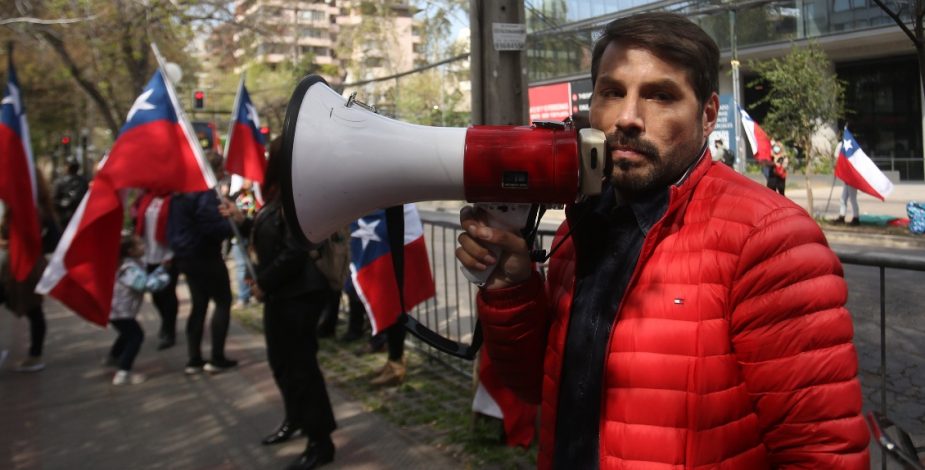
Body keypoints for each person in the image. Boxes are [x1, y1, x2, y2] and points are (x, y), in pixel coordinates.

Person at [455, 12, 869, 468]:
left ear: (708, 114)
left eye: (660, 95)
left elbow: (822, 454)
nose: (628, 118)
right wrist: (512, 288)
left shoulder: (770, 239)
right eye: (612, 92)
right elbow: (536, 386)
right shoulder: (582, 223)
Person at [224, 137, 336, 470]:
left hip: (299, 296)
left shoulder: (296, 195)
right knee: (282, 364)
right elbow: (269, 237)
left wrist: (263, 282)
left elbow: (294, 250)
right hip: (281, 295)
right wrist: (242, 222)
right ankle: (296, 420)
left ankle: (321, 441)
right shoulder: (277, 194)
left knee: (301, 368)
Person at [167, 152, 238, 375]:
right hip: (204, 254)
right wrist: (230, 224)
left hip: (186, 255)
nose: (223, 174)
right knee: (223, 301)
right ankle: (216, 357)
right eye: (221, 170)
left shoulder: (181, 191)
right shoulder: (203, 192)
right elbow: (211, 226)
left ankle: (194, 359)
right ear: (214, 170)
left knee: (199, 305)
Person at [1, 171, 61, 372]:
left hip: (27, 266)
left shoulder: (35, 210)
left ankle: (36, 356)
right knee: (34, 311)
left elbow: (53, 239)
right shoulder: (22, 207)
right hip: (15, 264)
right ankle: (35, 354)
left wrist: (32, 247)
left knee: (34, 311)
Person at [105, 233, 170, 385]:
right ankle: (123, 372)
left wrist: (161, 269)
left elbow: (144, 279)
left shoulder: (130, 265)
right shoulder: (128, 268)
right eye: (139, 245)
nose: (143, 246)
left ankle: (113, 357)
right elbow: (145, 285)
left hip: (118, 311)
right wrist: (165, 277)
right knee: (136, 336)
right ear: (130, 251)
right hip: (121, 312)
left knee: (126, 334)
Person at [133, 190, 180, 350]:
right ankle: (166, 323)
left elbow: (176, 228)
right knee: (156, 296)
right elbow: (137, 222)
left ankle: (169, 330)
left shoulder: (173, 200)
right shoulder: (146, 199)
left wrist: (170, 254)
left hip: (167, 256)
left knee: (168, 294)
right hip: (148, 255)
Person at [230, 179, 258, 309]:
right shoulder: (236, 196)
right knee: (241, 267)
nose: (248, 181)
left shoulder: (254, 196)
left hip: (248, 237)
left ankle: (249, 295)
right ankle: (244, 296)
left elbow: (252, 215)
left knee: (249, 266)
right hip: (238, 238)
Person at [52, 158, 89, 227]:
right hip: (65, 217)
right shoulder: (59, 182)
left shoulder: (83, 181)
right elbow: (54, 201)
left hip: (79, 216)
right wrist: (63, 203)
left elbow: (87, 198)